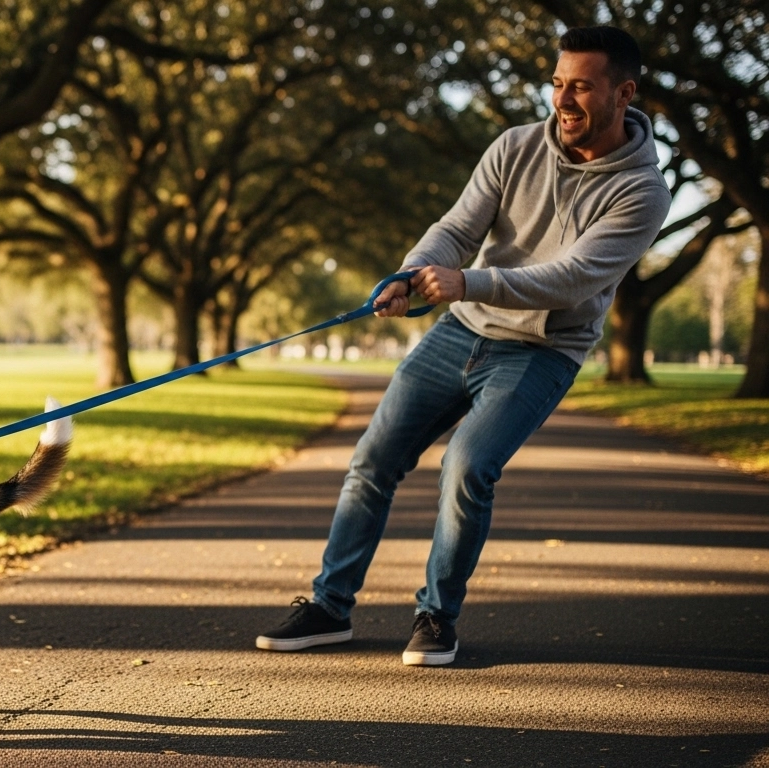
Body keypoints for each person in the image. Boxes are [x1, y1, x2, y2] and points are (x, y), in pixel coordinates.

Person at [256, 26, 672, 665]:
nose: (563, 100)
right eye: (557, 84)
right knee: (373, 460)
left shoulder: (642, 191)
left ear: (625, 93)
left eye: (581, 87)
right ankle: (330, 607)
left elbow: (572, 278)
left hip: (541, 352)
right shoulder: (514, 146)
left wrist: (466, 280)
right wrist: (412, 273)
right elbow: (456, 227)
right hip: (461, 330)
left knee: (466, 467)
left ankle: (436, 617)